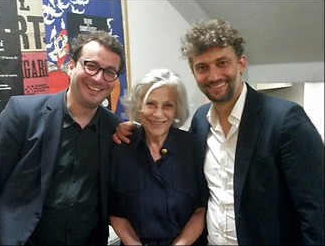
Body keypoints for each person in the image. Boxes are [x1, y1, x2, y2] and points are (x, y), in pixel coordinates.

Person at [112, 18, 324, 245]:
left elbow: (316, 210)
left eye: (222, 63)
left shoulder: (285, 120)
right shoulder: (201, 123)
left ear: (242, 63)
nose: (213, 76)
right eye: (202, 67)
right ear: (194, 73)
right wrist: (135, 127)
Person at [0, 30, 125, 246]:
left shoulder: (114, 130)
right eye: (91, 66)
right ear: (71, 66)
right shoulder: (22, 114)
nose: (99, 78)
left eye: (110, 72)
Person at [109, 69, 208, 246]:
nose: (158, 114)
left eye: (167, 105)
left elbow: (201, 209)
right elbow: (116, 211)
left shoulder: (194, 147)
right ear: (139, 106)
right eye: (150, 104)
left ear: (177, 109)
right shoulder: (121, 148)